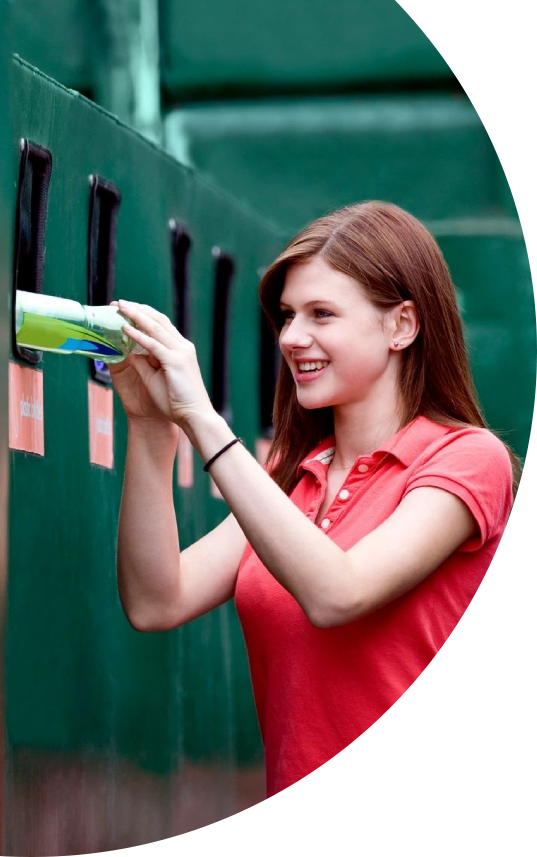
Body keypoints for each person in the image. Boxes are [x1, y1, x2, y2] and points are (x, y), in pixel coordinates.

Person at [109, 200, 517, 799]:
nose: (293, 337)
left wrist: (202, 416)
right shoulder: (289, 475)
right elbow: (156, 599)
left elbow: (339, 593)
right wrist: (151, 427)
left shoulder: (467, 459)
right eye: (286, 315)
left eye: (321, 314)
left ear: (402, 325)